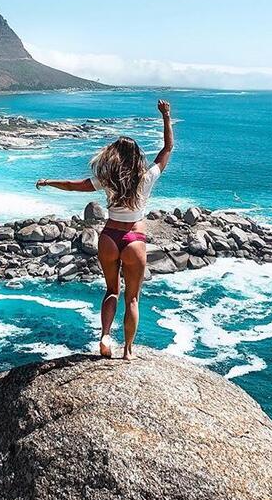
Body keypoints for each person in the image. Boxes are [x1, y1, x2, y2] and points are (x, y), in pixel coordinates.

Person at [36, 99, 174, 360]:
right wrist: (166, 116)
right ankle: (128, 351)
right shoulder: (147, 178)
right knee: (132, 299)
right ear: (137, 158)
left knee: (111, 291)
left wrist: (48, 181)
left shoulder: (107, 180)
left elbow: (73, 185)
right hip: (134, 239)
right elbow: (167, 148)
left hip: (109, 237)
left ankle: (105, 336)